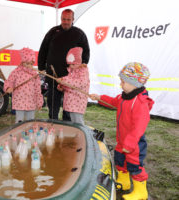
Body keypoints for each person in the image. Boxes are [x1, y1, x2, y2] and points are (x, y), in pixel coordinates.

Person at [90, 62, 154, 200]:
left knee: (135, 165)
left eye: (123, 82)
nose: (121, 84)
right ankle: (124, 183)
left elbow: (139, 127)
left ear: (135, 83)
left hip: (133, 144)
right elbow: (113, 102)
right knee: (120, 160)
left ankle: (141, 192)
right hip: (122, 140)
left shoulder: (140, 103)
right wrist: (100, 98)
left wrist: (129, 144)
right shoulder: (125, 97)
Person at [38, 9, 90, 121]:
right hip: (53, 75)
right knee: (53, 104)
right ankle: (53, 122)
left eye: (68, 19)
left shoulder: (79, 34)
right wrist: (41, 67)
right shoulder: (53, 31)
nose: (65, 22)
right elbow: (43, 49)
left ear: (73, 19)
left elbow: (86, 53)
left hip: (71, 78)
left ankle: (67, 124)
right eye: (63, 19)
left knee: (69, 106)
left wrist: (82, 66)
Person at [4, 48, 43, 123]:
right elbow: (9, 81)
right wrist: (8, 87)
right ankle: (18, 133)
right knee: (19, 121)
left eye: (31, 64)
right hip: (19, 101)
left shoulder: (35, 74)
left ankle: (29, 133)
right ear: (22, 62)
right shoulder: (16, 71)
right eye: (27, 63)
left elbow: (38, 90)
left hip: (31, 101)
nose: (29, 66)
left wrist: (39, 102)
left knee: (30, 122)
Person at [57, 47, 89, 125]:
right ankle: (76, 135)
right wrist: (62, 86)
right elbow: (70, 84)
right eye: (69, 64)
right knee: (73, 123)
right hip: (71, 103)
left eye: (73, 64)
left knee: (78, 122)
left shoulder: (83, 71)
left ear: (78, 62)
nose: (71, 66)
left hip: (78, 103)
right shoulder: (72, 72)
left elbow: (80, 83)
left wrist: (64, 80)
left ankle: (81, 135)